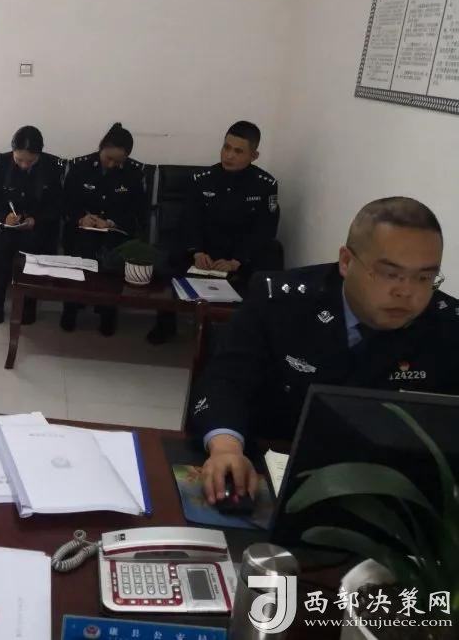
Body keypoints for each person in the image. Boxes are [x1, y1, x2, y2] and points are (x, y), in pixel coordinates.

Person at [192, 197, 459, 505]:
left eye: (424, 277)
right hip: (268, 475)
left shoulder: (448, 326)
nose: (406, 291)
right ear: (346, 262)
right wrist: (226, 448)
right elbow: (226, 380)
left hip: (396, 494)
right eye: (389, 274)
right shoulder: (278, 302)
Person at [147, 120, 280, 344]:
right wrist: (197, 251)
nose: (229, 155)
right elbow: (189, 220)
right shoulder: (202, 180)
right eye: (226, 147)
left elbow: (264, 230)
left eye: (238, 151)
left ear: (254, 155)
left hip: (239, 254)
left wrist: (237, 260)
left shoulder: (265, 185)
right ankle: (165, 324)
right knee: (169, 257)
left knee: (269, 260)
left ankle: (249, 335)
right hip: (204, 249)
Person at [61, 122, 148, 335]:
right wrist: (81, 218)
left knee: (112, 256)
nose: (111, 164)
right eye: (108, 158)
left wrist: (111, 222)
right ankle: (71, 306)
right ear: (101, 147)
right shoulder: (80, 167)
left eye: (118, 162)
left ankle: (108, 311)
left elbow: (138, 212)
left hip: (114, 233)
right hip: (81, 231)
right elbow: (66, 203)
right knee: (82, 250)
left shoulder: (134, 174)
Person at [0, 125, 63, 324]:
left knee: (34, 248)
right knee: (0, 245)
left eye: (31, 160)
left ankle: (28, 304)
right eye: (19, 160)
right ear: (13, 151)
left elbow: (56, 206)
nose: (25, 165)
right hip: (6, 227)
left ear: (39, 154)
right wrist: (4, 216)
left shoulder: (52, 168)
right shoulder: (0, 164)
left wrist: (36, 220)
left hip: (36, 227)